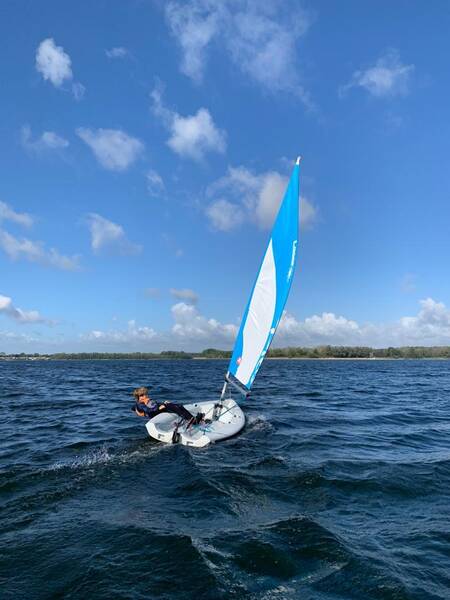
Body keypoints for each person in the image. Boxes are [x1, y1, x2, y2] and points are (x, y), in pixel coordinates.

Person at [131, 386, 203, 426]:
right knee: (174, 407)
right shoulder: (141, 404)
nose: (145, 396)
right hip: (154, 414)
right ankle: (192, 421)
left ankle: (191, 418)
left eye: (145, 394)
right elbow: (148, 410)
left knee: (178, 406)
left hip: (157, 410)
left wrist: (163, 403)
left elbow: (153, 405)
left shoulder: (146, 401)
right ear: (138, 397)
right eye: (142, 395)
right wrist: (159, 408)